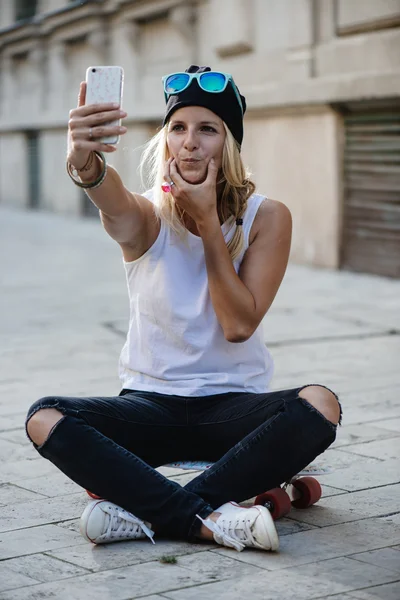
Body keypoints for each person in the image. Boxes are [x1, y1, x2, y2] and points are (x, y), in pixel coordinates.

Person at [25, 65, 341, 553]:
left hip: (235, 410)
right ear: (165, 140)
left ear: (229, 143)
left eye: (207, 129)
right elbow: (110, 199)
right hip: (149, 405)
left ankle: (141, 510)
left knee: (321, 403)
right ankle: (207, 519)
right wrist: (84, 162)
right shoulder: (147, 215)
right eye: (178, 128)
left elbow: (238, 324)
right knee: (44, 417)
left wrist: (209, 223)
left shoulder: (267, 217)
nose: (190, 142)